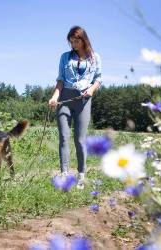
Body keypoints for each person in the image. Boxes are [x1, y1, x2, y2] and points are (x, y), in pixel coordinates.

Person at [48, 26, 102, 189]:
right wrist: (54, 97)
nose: (73, 44)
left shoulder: (95, 57)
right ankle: (64, 174)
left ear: (83, 40)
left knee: (80, 140)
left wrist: (91, 91)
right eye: (71, 42)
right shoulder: (65, 57)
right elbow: (60, 80)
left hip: (83, 101)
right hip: (64, 99)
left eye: (76, 41)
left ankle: (81, 175)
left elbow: (98, 80)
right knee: (64, 136)